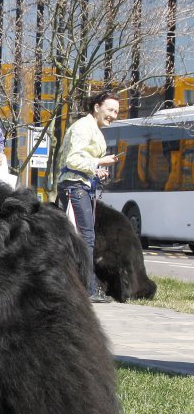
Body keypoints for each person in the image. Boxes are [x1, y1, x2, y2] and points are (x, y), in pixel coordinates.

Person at [57, 91, 121, 304]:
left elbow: (80, 160)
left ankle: (84, 286)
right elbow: (74, 160)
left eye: (116, 112)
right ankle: (87, 288)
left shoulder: (90, 128)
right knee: (84, 238)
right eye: (110, 109)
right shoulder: (83, 128)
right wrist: (98, 164)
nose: (113, 115)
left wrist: (96, 168)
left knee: (83, 237)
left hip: (79, 186)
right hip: (74, 187)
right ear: (97, 107)